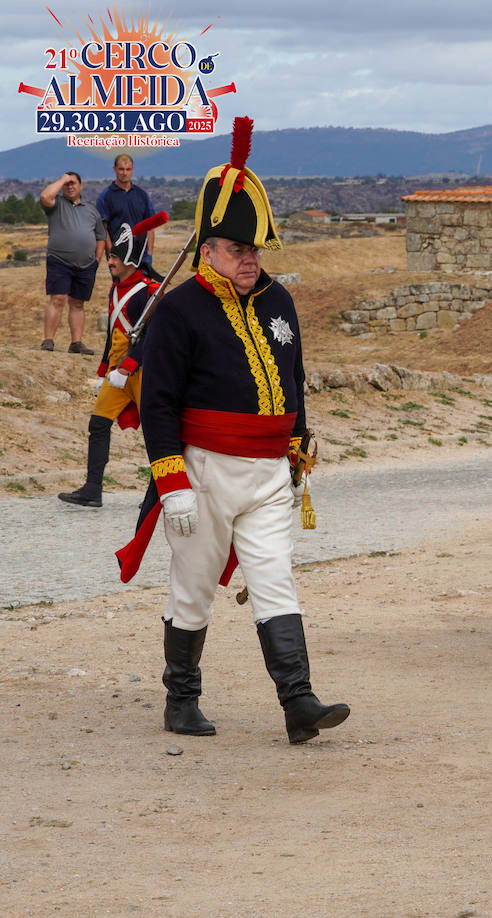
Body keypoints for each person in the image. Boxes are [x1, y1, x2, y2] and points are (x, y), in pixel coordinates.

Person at [117, 117, 349, 744]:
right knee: (193, 588)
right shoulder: (178, 310)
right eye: (238, 250)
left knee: (274, 576)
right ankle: (181, 699)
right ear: (208, 249)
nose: (251, 260)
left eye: (255, 250)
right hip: (203, 471)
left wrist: (298, 445)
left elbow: (294, 377)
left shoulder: (279, 301)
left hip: (270, 473)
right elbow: (159, 404)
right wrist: (173, 483)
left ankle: (299, 701)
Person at [57, 214, 164, 508]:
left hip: (145, 374)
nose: (109, 262)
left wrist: (130, 365)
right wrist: (105, 369)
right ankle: (93, 489)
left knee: (158, 434)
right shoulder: (116, 289)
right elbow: (113, 335)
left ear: (130, 259)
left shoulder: (151, 292)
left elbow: (154, 336)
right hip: (119, 374)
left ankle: (158, 492)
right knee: (99, 424)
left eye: (114, 256)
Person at [39, 171, 106, 354]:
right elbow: (45, 195)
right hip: (59, 260)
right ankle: (48, 340)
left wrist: (97, 260)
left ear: (80, 185)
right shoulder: (55, 205)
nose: (70, 186)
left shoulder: (91, 210)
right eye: (66, 184)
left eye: (73, 183)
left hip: (86, 265)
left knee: (78, 303)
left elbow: (101, 236)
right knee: (58, 299)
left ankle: (76, 343)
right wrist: (61, 179)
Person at [96, 154, 157, 279]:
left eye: (128, 169)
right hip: (119, 255)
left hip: (142, 255)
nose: (124, 173)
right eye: (121, 169)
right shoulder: (106, 196)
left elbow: (150, 224)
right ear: (115, 169)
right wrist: (112, 253)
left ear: (132, 170)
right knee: (123, 293)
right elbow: (103, 229)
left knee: (143, 293)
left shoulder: (142, 195)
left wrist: (149, 251)